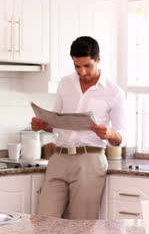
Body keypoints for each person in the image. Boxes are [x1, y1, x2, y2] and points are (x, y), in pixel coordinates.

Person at [31, 36, 127, 220]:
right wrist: (44, 125)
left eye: (87, 66)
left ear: (98, 60)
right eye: (77, 66)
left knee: (80, 228)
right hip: (59, 158)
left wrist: (109, 133)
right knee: (43, 222)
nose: (82, 72)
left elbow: (123, 136)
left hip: (89, 161)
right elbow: (57, 122)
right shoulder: (65, 83)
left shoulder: (114, 92)